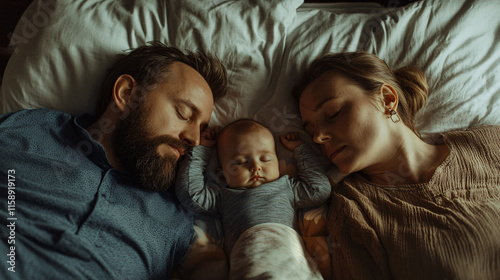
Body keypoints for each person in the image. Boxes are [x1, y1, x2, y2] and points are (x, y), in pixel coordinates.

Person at [0, 41, 227, 279]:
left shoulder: (176, 217)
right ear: (127, 94)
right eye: (184, 114)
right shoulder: (26, 131)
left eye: (201, 128)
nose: (193, 139)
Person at [293, 51, 500, 279]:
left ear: (387, 99)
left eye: (332, 113)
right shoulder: (353, 211)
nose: (318, 137)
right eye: (310, 130)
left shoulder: (489, 144)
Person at [175, 119, 331, 279]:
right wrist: (202, 149)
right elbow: (189, 193)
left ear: (277, 161)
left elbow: (319, 190)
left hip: (290, 254)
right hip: (251, 255)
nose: (256, 166)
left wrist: (300, 150)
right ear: (222, 173)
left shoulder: (287, 188)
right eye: (241, 162)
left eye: (265, 159)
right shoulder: (224, 196)